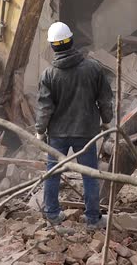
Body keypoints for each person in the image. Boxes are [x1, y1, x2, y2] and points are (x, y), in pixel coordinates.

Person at [35, 22, 113, 230]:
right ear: (71, 41)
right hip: (86, 132)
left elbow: (44, 107)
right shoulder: (93, 68)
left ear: (53, 47)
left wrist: (39, 131)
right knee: (89, 175)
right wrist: (107, 121)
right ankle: (93, 219)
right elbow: (105, 99)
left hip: (58, 134)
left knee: (53, 173)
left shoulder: (49, 75)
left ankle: (51, 213)